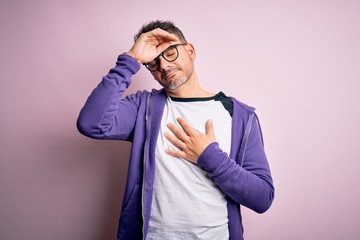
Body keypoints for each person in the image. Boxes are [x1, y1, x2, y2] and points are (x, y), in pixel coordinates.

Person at [77, 20, 274, 240]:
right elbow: (91, 124)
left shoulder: (239, 116)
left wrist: (210, 157)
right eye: (152, 62)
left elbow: (262, 198)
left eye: (170, 53)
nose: (163, 66)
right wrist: (131, 60)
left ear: (190, 50)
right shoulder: (143, 107)